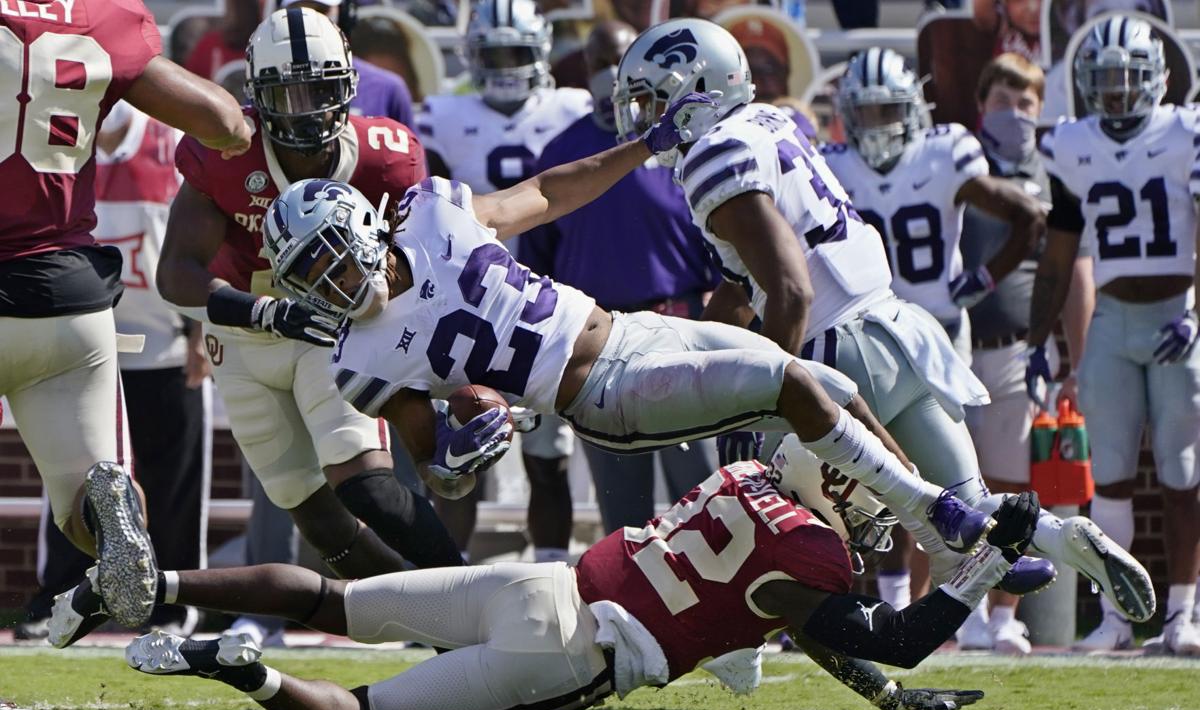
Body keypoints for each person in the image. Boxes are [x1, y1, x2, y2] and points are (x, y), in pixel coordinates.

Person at [259, 97, 1154, 629]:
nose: (339, 281)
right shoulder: (359, 359)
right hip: (600, 392)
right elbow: (437, 477)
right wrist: (459, 457)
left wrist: (646, 146)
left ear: (367, 226)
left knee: (830, 386)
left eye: (337, 254)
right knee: (793, 381)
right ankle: (939, 524)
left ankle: (943, 527)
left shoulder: (433, 211)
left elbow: (548, 192)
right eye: (316, 277)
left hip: (630, 328)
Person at [119, 466, 1138, 710]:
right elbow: (901, 640)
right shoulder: (817, 554)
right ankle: (247, 666)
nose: (875, 527)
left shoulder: (747, 484)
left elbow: (804, 622)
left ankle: (172, 592)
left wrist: (882, 693)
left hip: (539, 577)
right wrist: (979, 566)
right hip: (569, 650)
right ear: (841, 492)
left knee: (340, 600)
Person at [45, 7, 460, 653]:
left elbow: (427, 261)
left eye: (319, 88)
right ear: (256, 95)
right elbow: (178, 274)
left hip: (331, 332)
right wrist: (264, 311)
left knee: (370, 486)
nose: (304, 108)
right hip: (243, 340)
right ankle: (441, 630)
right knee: (320, 521)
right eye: (287, 92)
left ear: (347, 85)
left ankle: (470, 599)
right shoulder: (224, 152)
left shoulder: (387, 158)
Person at [612, 22, 1052, 619]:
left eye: (655, 100)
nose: (646, 118)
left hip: (828, 346)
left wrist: (759, 394)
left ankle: (745, 636)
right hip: (893, 325)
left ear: (699, 89)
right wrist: (690, 355)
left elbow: (788, 290)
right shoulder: (768, 123)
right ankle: (1010, 549)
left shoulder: (714, 155)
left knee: (769, 516)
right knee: (941, 502)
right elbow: (743, 284)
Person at [0, 0, 251, 630]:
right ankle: (103, 506)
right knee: (87, 485)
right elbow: (225, 122)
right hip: (66, 300)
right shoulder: (103, 16)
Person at [820, 46, 1044, 650]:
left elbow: (1028, 215)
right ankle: (899, 600)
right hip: (869, 332)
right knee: (880, 468)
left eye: (889, 111)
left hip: (936, 332)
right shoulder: (830, 162)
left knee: (945, 469)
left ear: (915, 108)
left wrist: (986, 276)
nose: (877, 127)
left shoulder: (945, 152)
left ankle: (967, 597)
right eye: (864, 115)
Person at [1027, 16, 1200, 655]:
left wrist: (1197, 313)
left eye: (1129, 80)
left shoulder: (1186, 132)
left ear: (1155, 79)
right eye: (1106, 81)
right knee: (1112, 479)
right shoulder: (1074, 144)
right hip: (1112, 322)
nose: (1119, 93)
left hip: (1176, 317)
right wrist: (1035, 339)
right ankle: (1118, 618)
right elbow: (1059, 248)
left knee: (1184, 473)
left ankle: (1183, 613)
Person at [19, 101, 212, 639]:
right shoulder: (48, 140)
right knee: (71, 474)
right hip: (82, 343)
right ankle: (56, 597)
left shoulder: (175, 144)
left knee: (174, 485)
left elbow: (202, 241)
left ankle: (175, 604)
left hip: (163, 341)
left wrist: (200, 327)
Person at [518, 20, 717, 533]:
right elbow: (537, 260)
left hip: (680, 333)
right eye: (600, 59)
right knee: (623, 518)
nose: (611, 71)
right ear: (585, 67)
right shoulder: (562, 149)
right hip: (598, 344)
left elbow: (720, 248)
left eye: (621, 57)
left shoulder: (688, 144)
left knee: (702, 504)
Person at [415, 0, 592, 563]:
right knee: (460, 449)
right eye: (495, 52)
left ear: (541, 48)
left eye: (517, 51)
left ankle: (552, 572)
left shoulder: (572, 109)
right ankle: (447, 580)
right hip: (467, 306)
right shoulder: (441, 115)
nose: (507, 64)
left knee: (547, 454)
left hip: (542, 301)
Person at [959, 54, 1094, 653]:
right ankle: (959, 607)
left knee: (1012, 486)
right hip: (954, 343)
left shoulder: (1053, 170)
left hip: (1019, 348)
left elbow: (1074, 271)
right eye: (1002, 101)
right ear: (981, 104)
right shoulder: (960, 163)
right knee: (954, 481)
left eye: (1026, 103)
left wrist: (1076, 359)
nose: (1014, 113)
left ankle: (1002, 613)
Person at [281, 0, 415, 127]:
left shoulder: (389, 89)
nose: (309, 22)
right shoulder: (263, 89)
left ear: (345, 15)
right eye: (299, 14)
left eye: (320, 12)